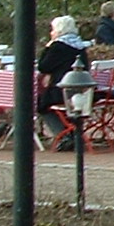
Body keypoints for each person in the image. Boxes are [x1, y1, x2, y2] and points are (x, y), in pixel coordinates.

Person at [37, 15, 91, 147]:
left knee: (41, 105)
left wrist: (48, 47)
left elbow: (43, 66)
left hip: (62, 90)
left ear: (59, 30)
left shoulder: (58, 46)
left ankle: (63, 134)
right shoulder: (80, 45)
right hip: (82, 91)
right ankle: (73, 133)